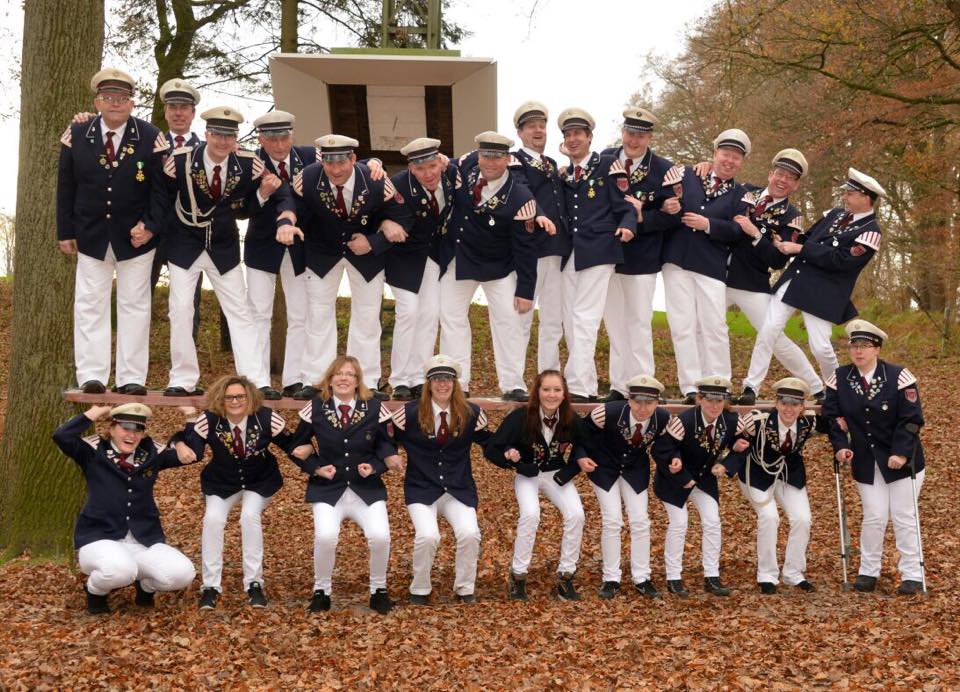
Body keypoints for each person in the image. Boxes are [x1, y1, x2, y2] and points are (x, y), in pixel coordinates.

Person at [160, 105, 295, 399]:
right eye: (218, 134)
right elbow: (162, 197)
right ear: (206, 134)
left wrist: (271, 201)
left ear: (236, 139)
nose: (223, 142)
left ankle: (256, 380)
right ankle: (182, 379)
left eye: (229, 136)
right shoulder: (181, 160)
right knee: (180, 309)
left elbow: (271, 194)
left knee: (240, 312)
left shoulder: (249, 163)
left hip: (224, 246)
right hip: (184, 243)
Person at [56, 68, 169, 395]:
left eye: (122, 98)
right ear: (97, 102)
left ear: (132, 103)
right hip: (90, 234)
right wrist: (65, 231)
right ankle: (91, 375)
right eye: (108, 97)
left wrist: (150, 226)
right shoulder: (78, 134)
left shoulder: (150, 136)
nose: (115, 103)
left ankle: (131, 377)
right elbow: (66, 186)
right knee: (90, 305)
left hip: (136, 239)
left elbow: (161, 191)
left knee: (135, 307)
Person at [740, 168, 887, 399]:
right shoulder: (835, 214)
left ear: (866, 198)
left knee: (820, 347)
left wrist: (800, 248)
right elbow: (808, 237)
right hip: (796, 279)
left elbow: (841, 261)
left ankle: (836, 391)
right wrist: (783, 241)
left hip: (824, 292)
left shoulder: (870, 232)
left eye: (850, 194)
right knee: (768, 331)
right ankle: (751, 387)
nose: (844, 197)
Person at [692, 149, 825, 403]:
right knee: (702, 327)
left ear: (796, 185)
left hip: (751, 283)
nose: (782, 180)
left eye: (790, 178)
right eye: (780, 173)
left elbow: (777, 260)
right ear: (770, 173)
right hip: (717, 274)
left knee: (774, 338)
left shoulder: (792, 216)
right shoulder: (745, 191)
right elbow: (717, 189)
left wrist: (755, 233)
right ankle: (709, 385)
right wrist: (706, 166)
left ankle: (818, 388)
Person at [287, 135, 412, 400]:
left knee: (367, 316)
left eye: (341, 162)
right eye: (329, 163)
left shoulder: (376, 180)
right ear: (322, 161)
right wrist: (286, 223)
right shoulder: (307, 178)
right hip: (322, 253)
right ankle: (315, 380)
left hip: (365, 255)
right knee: (317, 315)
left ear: (353, 159)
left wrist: (374, 241)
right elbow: (294, 207)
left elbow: (403, 216)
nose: (335, 170)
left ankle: (368, 382)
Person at [52, 403, 196, 614]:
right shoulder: (93, 451)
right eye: (125, 428)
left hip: (142, 540)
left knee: (183, 573)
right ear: (111, 429)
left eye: (138, 430)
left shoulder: (151, 454)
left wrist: (187, 426)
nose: (132, 435)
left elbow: (194, 455)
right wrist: (94, 412)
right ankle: (95, 592)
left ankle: (145, 587)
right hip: (99, 538)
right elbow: (61, 436)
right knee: (120, 570)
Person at [440, 131, 551, 401]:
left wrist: (525, 290)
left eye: (497, 157)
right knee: (451, 317)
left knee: (509, 320)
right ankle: (458, 382)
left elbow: (526, 248)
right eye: (486, 156)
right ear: (478, 155)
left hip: (498, 266)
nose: (490, 162)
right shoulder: (467, 166)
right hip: (461, 258)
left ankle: (513, 384)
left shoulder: (521, 197)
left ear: (507, 159)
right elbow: (448, 164)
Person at [287, 355, 401, 613]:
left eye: (349, 374)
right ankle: (322, 591)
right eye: (338, 374)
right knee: (325, 537)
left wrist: (376, 466)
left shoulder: (374, 407)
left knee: (380, 536)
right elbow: (296, 446)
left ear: (358, 380)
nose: (343, 378)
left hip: (366, 488)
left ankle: (379, 590)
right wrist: (316, 467)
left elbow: (387, 445)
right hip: (328, 488)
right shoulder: (315, 407)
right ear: (329, 380)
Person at [822, 320, 925, 595]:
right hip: (866, 461)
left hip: (902, 459)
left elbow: (911, 420)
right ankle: (868, 572)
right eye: (854, 346)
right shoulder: (839, 378)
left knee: (903, 515)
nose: (858, 351)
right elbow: (832, 419)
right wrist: (840, 446)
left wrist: (900, 453)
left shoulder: (899, 376)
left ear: (877, 349)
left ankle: (912, 574)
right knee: (874, 516)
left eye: (865, 346)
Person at [175, 375, 290, 609]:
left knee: (249, 516)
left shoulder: (267, 417)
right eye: (229, 397)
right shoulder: (210, 419)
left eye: (240, 396)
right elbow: (191, 444)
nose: (235, 401)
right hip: (221, 482)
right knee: (212, 519)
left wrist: (315, 465)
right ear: (220, 399)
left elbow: (293, 444)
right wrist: (179, 444)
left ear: (250, 397)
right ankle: (210, 586)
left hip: (259, 480)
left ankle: (254, 583)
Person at [390, 355, 491, 604]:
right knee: (428, 536)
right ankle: (419, 588)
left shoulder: (472, 413)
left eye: (447, 379)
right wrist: (389, 455)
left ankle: (465, 588)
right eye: (437, 379)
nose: (442, 384)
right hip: (421, 487)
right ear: (428, 383)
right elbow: (385, 440)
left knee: (470, 533)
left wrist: (511, 451)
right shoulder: (408, 414)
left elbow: (491, 442)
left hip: (458, 487)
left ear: (455, 383)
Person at [660, 130, 751, 403]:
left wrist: (708, 224)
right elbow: (661, 195)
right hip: (677, 261)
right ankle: (690, 387)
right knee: (682, 325)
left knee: (715, 326)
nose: (729, 161)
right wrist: (666, 206)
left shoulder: (741, 194)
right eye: (725, 154)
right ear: (714, 154)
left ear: (741, 162)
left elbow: (738, 231)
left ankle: (720, 384)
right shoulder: (688, 174)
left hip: (711, 265)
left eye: (736, 157)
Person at [556, 107, 638, 401]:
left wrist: (628, 226)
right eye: (568, 134)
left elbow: (626, 205)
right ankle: (585, 384)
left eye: (578, 133)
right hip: (572, 253)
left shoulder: (607, 165)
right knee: (570, 319)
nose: (573, 139)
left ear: (590, 137)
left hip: (600, 248)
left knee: (584, 317)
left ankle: (579, 387)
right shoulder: (565, 173)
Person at [485, 370, 585, 600]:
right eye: (546, 389)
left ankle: (566, 575)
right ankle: (518, 575)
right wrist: (511, 458)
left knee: (576, 515)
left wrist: (572, 468)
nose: (551, 395)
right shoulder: (520, 417)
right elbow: (493, 448)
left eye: (557, 390)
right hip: (528, 474)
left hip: (556, 473)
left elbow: (586, 444)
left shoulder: (570, 418)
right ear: (537, 392)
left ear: (564, 393)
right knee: (531, 514)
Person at [600, 108, 676, 400]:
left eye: (641, 135)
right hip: (608, 254)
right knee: (614, 324)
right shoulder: (605, 159)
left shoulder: (663, 169)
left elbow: (672, 216)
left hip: (642, 257)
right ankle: (619, 386)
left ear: (650, 137)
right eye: (630, 133)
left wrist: (641, 218)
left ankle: (644, 383)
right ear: (622, 132)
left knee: (639, 323)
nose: (634, 140)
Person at [574, 374, 670, 600]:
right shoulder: (606, 412)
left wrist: (671, 459)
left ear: (657, 402)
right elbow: (581, 433)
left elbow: (666, 445)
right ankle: (611, 578)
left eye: (649, 403)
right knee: (612, 519)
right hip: (604, 467)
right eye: (637, 402)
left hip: (635, 469)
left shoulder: (663, 419)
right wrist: (581, 456)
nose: (643, 408)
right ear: (629, 399)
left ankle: (642, 577)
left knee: (640, 520)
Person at [652, 376, 749, 597]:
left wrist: (726, 464)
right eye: (709, 400)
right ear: (699, 399)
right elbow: (661, 449)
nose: (714, 406)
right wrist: (680, 471)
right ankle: (673, 577)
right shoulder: (684, 421)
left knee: (712, 521)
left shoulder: (732, 420)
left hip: (704, 478)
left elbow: (744, 446)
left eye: (719, 401)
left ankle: (712, 576)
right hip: (674, 479)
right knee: (679, 523)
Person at [725, 377, 822, 593]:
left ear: (802, 407)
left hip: (789, 475)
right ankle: (767, 575)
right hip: (757, 474)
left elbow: (833, 424)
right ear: (776, 403)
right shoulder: (757, 421)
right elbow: (732, 434)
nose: (789, 409)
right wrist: (728, 459)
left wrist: (842, 435)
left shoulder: (808, 421)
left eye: (795, 404)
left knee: (803, 519)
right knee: (769, 517)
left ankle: (793, 573)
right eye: (784, 403)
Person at [246, 110, 315, 397]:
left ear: (292, 136)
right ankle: (257, 380)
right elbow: (241, 208)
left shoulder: (310, 157)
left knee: (301, 313)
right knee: (258, 313)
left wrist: (373, 162)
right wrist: (261, 193)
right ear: (261, 139)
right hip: (262, 245)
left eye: (284, 138)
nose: (279, 145)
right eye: (272, 139)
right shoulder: (249, 162)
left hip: (300, 245)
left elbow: (346, 164)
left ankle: (294, 378)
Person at [387, 137, 459, 400]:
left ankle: (418, 377)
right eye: (420, 169)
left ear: (440, 161)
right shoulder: (397, 184)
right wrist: (385, 223)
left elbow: (478, 161)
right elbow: (375, 207)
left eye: (432, 166)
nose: (428, 174)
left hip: (433, 255)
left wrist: (451, 163)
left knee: (429, 315)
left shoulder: (451, 175)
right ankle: (399, 380)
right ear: (410, 168)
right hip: (403, 257)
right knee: (408, 312)